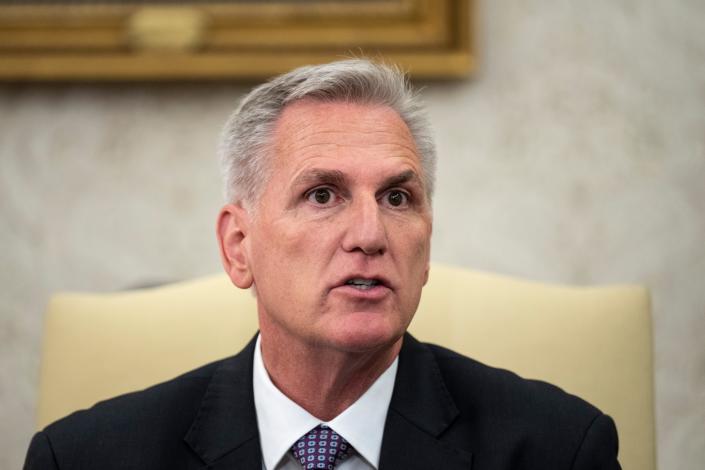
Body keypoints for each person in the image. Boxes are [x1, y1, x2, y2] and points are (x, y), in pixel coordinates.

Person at [24, 59, 620, 470]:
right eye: (322, 195)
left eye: (396, 198)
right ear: (238, 246)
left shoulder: (558, 448)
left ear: (427, 245)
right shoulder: (86, 456)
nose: (370, 234)